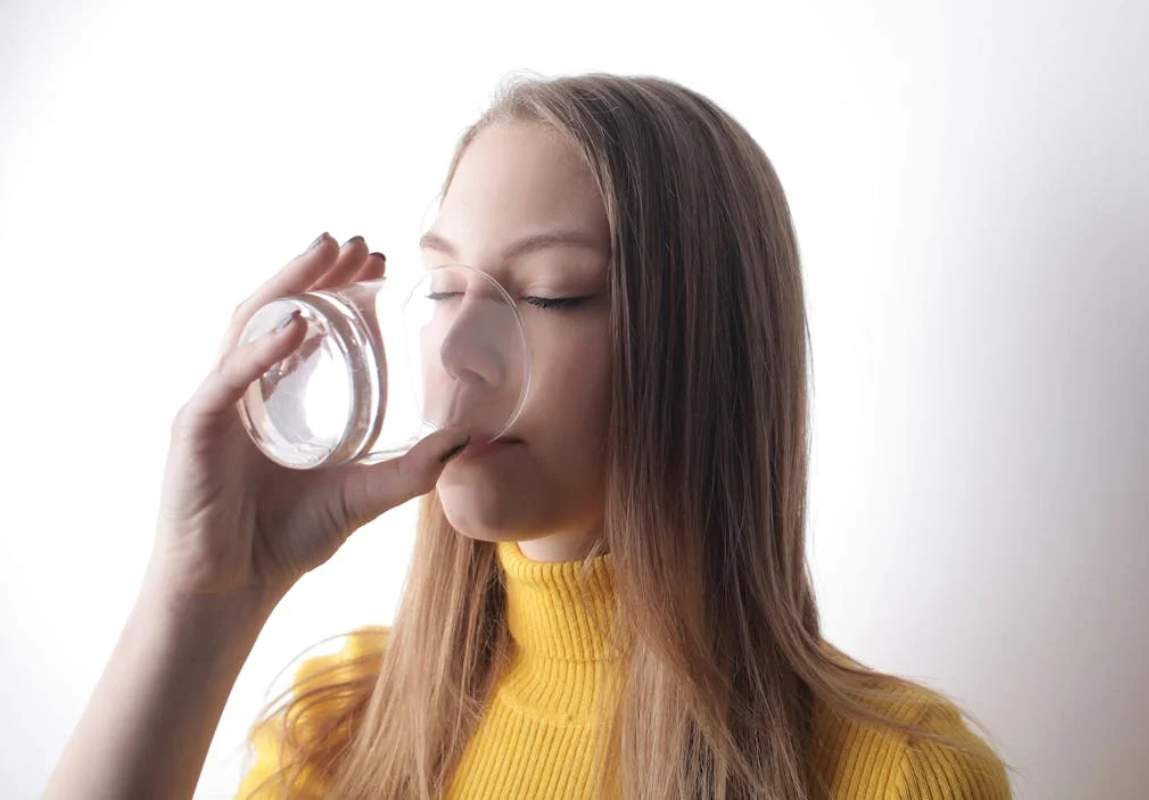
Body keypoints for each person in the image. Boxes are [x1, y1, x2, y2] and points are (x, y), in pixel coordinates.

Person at [45, 73, 1014, 799]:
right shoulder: (336, 722)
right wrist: (206, 593)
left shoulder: (896, 773)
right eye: (446, 286)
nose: (457, 349)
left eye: (549, 292)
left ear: (702, 345)